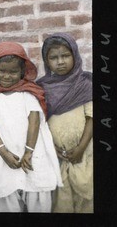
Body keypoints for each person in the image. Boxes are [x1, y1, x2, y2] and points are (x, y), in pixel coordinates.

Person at [0, 42, 62, 213]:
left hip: (31, 154)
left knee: (36, 192)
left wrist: (29, 151)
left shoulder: (28, 93)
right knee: (7, 197)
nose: (7, 76)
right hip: (4, 155)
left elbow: (34, 121)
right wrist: (4, 153)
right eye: (2, 71)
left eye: (13, 72)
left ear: (22, 72)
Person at [37, 33, 93, 213]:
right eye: (53, 57)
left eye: (65, 56)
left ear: (75, 55)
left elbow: (92, 118)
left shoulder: (85, 84)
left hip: (85, 153)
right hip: (57, 156)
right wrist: (52, 148)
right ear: (46, 61)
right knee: (62, 201)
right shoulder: (42, 88)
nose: (60, 62)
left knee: (87, 197)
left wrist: (81, 148)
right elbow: (39, 123)